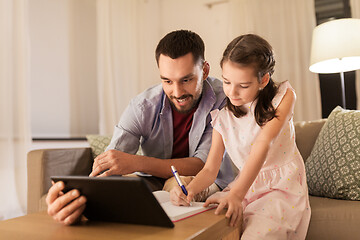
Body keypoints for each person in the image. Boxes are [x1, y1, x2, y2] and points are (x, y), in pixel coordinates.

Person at [46, 30, 234, 225]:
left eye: (186, 80)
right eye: (167, 81)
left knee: (180, 185)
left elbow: (201, 165)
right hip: (152, 181)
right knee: (120, 191)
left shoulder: (224, 99)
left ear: (204, 71)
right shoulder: (143, 106)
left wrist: (137, 162)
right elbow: (112, 161)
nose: (177, 92)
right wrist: (80, 196)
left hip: (206, 180)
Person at [170, 34, 311, 239]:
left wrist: (237, 195)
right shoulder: (223, 118)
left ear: (263, 80)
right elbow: (210, 169)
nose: (232, 92)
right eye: (227, 82)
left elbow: (263, 143)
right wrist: (188, 191)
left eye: (243, 85)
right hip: (244, 185)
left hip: (281, 188)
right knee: (209, 228)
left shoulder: (283, 96)